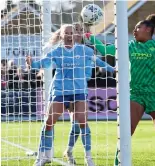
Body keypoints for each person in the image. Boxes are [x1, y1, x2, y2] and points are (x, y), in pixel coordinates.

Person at [88, 14, 155, 165]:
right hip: (135, 94)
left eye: (138, 27)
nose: (134, 30)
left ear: (148, 29)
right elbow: (105, 50)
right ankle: (117, 163)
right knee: (126, 132)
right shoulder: (129, 46)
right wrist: (89, 37)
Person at [27, 24, 114, 166]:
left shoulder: (85, 50)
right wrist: (33, 64)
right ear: (61, 35)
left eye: (71, 32)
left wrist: (114, 69)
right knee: (49, 122)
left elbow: (99, 62)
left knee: (82, 122)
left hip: (79, 91)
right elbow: (44, 63)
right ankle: (44, 156)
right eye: (66, 33)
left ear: (75, 35)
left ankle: (88, 158)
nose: (69, 35)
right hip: (61, 91)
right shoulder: (57, 51)